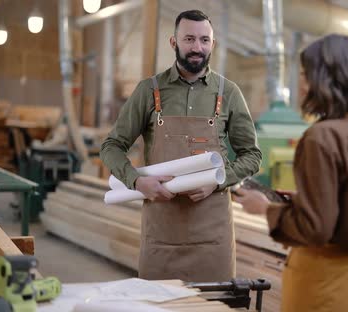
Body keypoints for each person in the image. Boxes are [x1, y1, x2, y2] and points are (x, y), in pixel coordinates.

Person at [233, 34, 348, 311]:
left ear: (323, 80)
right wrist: (305, 200)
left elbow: (316, 228)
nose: (301, 86)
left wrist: (265, 209)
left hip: (320, 284)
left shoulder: (320, 137)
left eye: (305, 75)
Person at [100, 10, 261, 282]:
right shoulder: (148, 91)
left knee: (214, 305)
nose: (197, 47)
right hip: (163, 231)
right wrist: (137, 181)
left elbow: (252, 155)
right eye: (189, 39)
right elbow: (112, 146)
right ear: (173, 42)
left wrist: (219, 181)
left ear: (213, 44)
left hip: (213, 235)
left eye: (204, 40)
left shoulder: (229, 93)